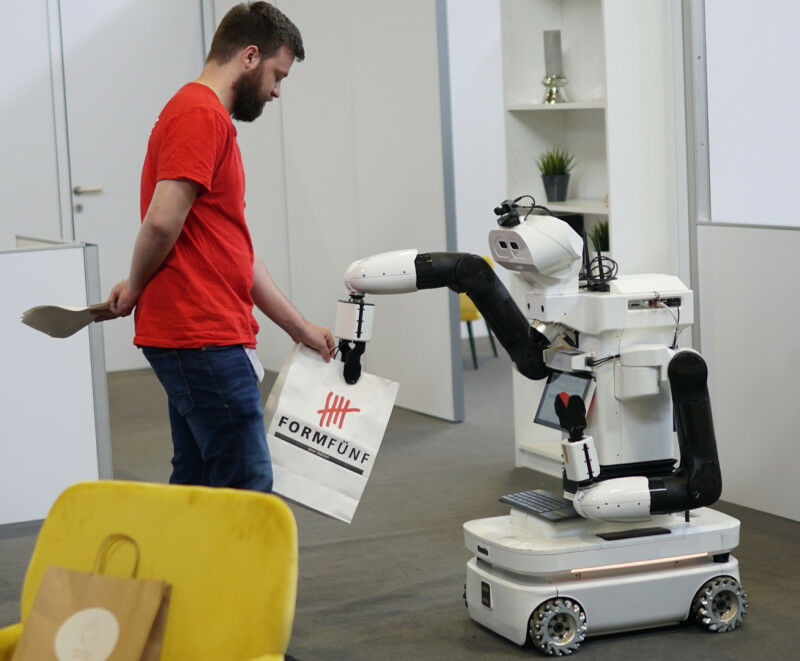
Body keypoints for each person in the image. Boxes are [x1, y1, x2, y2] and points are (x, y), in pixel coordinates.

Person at [105, 2, 334, 493]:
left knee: (200, 487)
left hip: (200, 333)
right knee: (245, 489)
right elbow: (162, 222)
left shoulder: (202, 115)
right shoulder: (200, 114)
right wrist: (136, 285)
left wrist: (299, 328)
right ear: (249, 56)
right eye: (277, 75)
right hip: (202, 333)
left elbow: (236, 252)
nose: (276, 91)